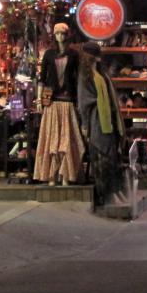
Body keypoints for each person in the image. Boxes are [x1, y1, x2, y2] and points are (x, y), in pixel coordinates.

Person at [34, 23, 84, 185]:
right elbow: (41, 79)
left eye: (63, 34)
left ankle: (66, 175)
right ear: (54, 36)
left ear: (67, 35)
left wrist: (79, 100)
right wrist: (39, 100)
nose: (60, 37)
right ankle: (51, 175)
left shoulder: (74, 55)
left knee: (67, 140)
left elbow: (78, 79)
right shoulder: (49, 54)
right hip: (52, 101)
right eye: (57, 34)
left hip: (68, 100)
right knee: (51, 139)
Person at [78, 42, 125, 210]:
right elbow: (84, 102)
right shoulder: (87, 75)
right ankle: (107, 195)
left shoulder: (100, 73)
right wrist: (85, 125)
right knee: (102, 158)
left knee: (111, 158)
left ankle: (115, 191)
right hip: (97, 120)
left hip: (108, 121)